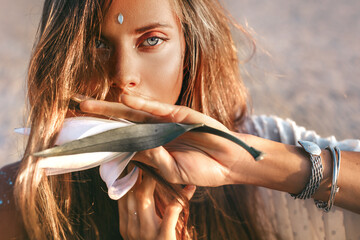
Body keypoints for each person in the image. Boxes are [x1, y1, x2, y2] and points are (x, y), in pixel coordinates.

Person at [0, 0, 359, 239]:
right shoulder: (20, 201)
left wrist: (251, 164)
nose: (123, 76)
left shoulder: (256, 151)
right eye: (96, 44)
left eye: (151, 40)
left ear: (190, 50)